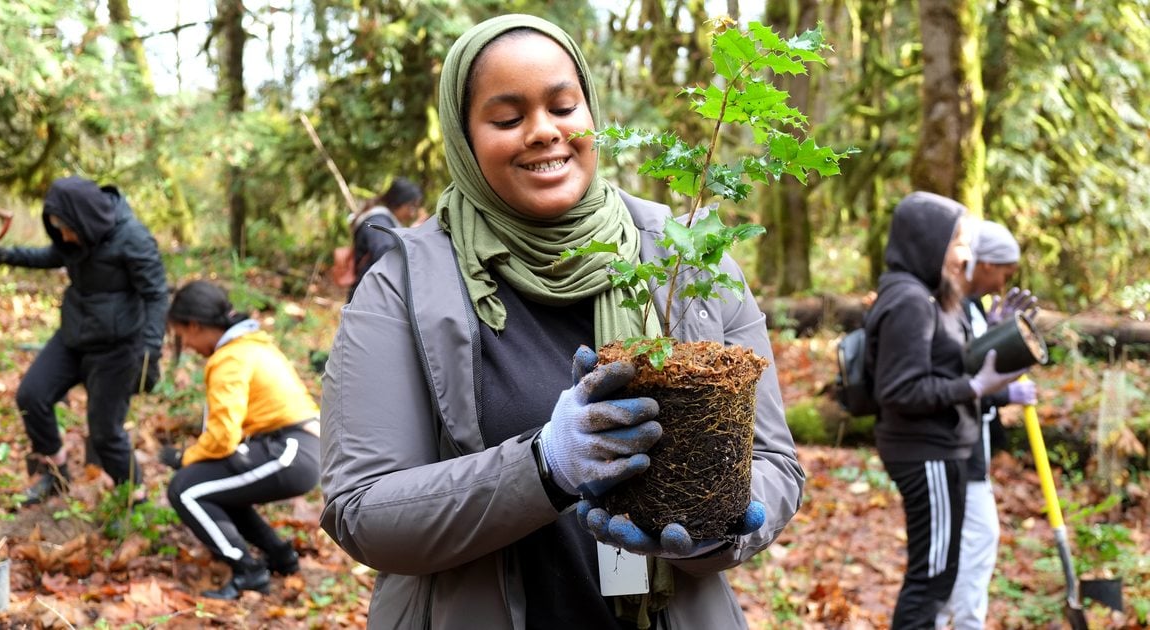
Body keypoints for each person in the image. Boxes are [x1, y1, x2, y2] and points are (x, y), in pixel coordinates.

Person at [319, 14, 803, 630]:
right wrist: (545, 465)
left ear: (590, 115)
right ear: (464, 138)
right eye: (506, 118)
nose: (543, 132)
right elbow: (362, 511)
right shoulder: (400, 287)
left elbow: (774, 464)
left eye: (563, 106)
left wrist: (718, 524)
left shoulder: (684, 253)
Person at [865, 193, 1027, 629]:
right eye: (958, 241)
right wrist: (973, 387)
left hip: (945, 449)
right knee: (931, 579)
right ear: (929, 240)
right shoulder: (909, 301)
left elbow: (952, 359)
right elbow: (901, 389)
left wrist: (996, 338)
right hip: (925, 452)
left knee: (941, 574)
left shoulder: (933, 297)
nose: (965, 255)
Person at [0, 176, 168, 506]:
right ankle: (55, 472)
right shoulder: (75, 239)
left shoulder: (133, 238)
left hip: (118, 347)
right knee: (31, 395)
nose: (64, 236)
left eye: (67, 228)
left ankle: (133, 495)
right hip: (74, 334)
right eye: (58, 229)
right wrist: (4, 255)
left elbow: (155, 294)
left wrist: (150, 348)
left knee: (106, 433)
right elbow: (53, 255)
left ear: (85, 219)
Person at [157, 280, 320, 599]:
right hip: (297, 447)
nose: (187, 345)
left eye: (184, 335)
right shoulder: (250, 344)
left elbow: (222, 437)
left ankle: (248, 571)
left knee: (186, 489)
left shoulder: (230, 358)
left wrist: (183, 458)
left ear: (195, 325)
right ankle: (280, 556)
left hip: (290, 451)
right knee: (214, 485)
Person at [937, 221, 1038, 629]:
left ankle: (944, 619)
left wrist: (999, 336)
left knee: (961, 546)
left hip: (970, 445)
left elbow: (977, 365)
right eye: (1004, 272)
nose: (1003, 282)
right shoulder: (948, 303)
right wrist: (1001, 394)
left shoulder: (973, 306)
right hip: (955, 447)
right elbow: (957, 376)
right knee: (976, 541)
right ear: (986, 263)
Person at [345, 177, 424, 302]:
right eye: (411, 207)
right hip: (368, 300)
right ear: (400, 202)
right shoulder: (378, 222)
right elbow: (386, 255)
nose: (412, 214)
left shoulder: (384, 221)